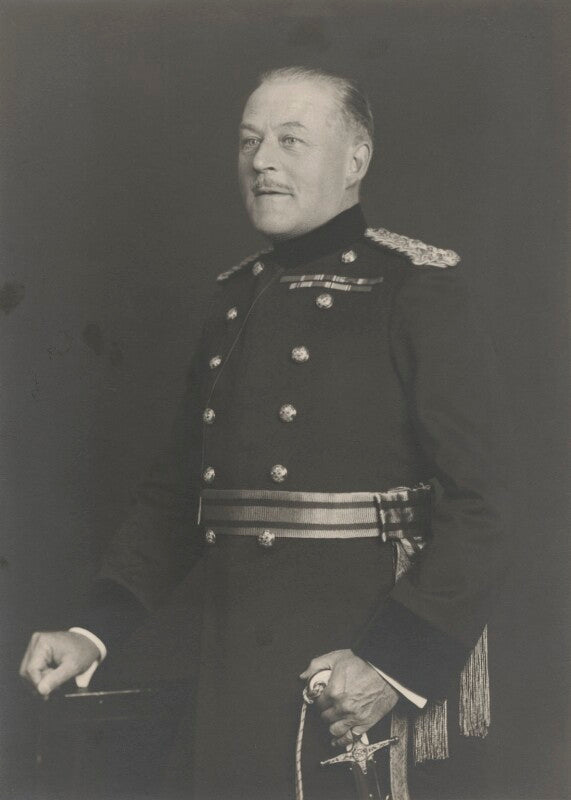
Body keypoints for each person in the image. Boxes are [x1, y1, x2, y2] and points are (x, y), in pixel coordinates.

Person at [20, 66, 509, 800]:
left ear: (355, 159)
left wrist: (390, 666)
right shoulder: (236, 296)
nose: (261, 161)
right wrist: (93, 631)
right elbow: (177, 494)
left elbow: (483, 506)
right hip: (232, 680)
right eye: (249, 141)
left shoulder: (415, 288)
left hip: (351, 676)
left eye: (290, 140)